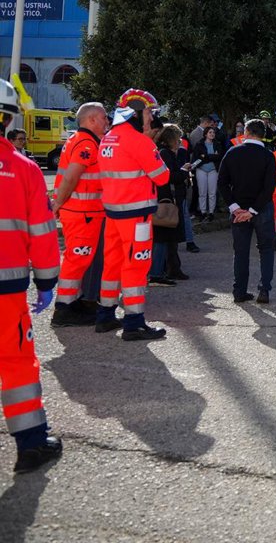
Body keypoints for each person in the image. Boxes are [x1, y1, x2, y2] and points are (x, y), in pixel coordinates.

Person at [0, 78, 64, 473]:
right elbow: (41, 233)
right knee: (16, 363)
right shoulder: (23, 169)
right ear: (8, 119)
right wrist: (46, 281)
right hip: (6, 290)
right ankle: (31, 445)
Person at [96, 89, 172, 341]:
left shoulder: (108, 138)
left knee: (112, 264)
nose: (152, 119)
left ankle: (105, 315)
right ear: (137, 113)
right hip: (136, 215)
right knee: (136, 266)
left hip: (113, 213)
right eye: (150, 113)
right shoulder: (139, 141)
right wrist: (152, 146)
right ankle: (134, 322)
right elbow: (162, 177)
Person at [50, 102, 108, 326]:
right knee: (77, 259)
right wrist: (57, 203)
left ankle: (71, 302)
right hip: (82, 212)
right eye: (103, 117)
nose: (107, 121)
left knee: (78, 259)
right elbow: (72, 176)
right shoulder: (86, 143)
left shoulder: (78, 139)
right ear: (91, 119)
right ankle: (64, 309)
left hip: (81, 211)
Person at [217, 119, 276, 304]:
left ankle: (239, 291)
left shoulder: (233, 152)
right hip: (262, 208)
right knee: (266, 249)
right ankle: (264, 290)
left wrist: (234, 207)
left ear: (247, 132)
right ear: (263, 135)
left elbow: (222, 182)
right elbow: (269, 187)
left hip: (239, 208)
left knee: (241, 251)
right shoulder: (268, 156)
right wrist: (253, 210)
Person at [147, 125, 191, 286]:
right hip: (166, 200)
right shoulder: (165, 154)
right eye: (178, 139)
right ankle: (160, 272)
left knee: (168, 237)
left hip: (167, 198)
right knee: (164, 236)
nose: (180, 142)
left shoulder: (164, 152)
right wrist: (184, 171)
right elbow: (168, 177)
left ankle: (168, 269)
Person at [191, 126, 225, 221]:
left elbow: (220, 157)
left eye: (213, 132)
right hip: (201, 170)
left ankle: (211, 212)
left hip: (213, 170)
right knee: (202, 192)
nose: (212, 134)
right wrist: (212, 156)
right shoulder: (199, 144)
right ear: (205, 134)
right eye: (210, 132)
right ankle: (203, 212)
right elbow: (197, 158)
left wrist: (206, 157)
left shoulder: (218, 144)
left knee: (212, 193)